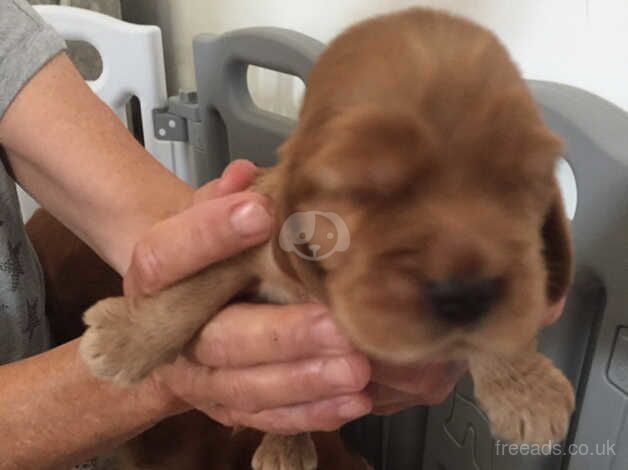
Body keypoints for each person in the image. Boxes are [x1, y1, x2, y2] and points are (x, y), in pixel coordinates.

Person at [0, 1, 565, 468]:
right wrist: (159, 350)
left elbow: (190, 242)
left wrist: (513, 367)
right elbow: (237, 269)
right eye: (370, 189)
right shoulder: (293, 211)